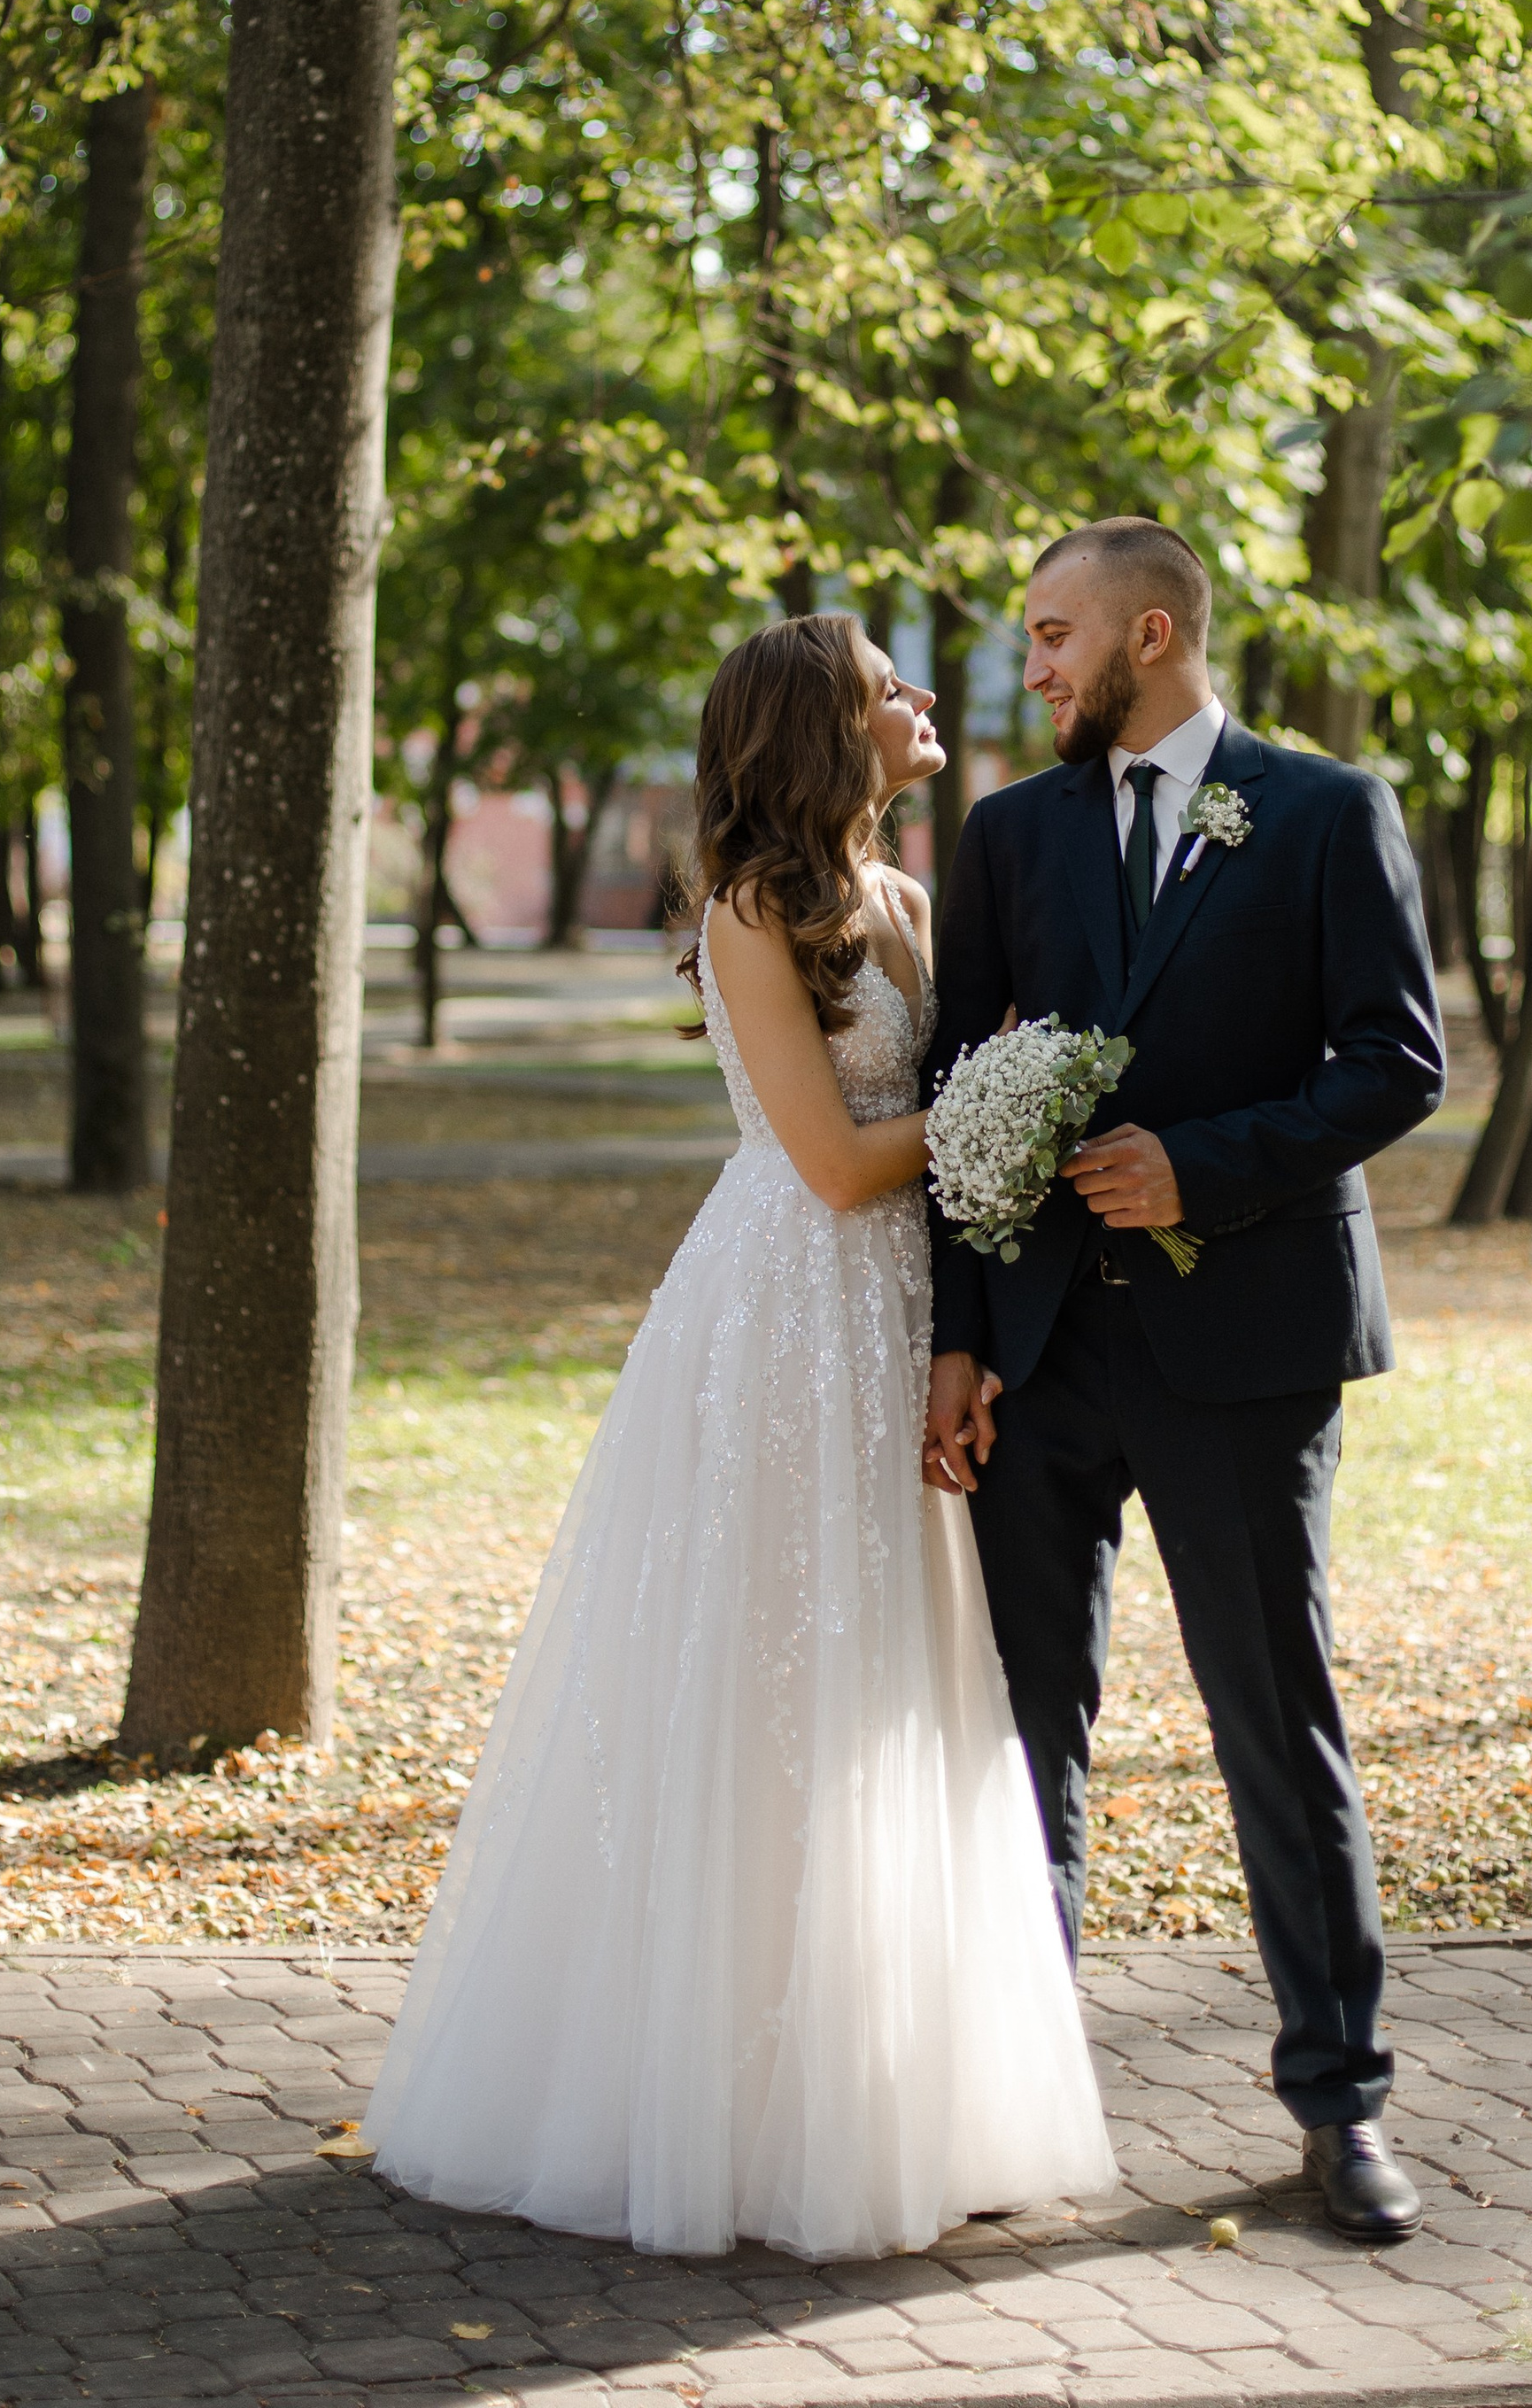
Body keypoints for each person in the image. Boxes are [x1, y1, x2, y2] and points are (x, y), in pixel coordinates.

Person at [368, 612, 1114, 2259]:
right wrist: (1012, 1101)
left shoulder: (907, 899)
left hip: (903, 1312)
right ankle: (735, 2106)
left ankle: (885, 2087)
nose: (922, 698)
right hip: (791, 1319)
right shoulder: (752, 911)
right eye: (888, 688)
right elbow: (834, 1166)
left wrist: (975, 1265)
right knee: (777, 1680)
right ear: (822, 729)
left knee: (894, 1681)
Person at [922, 519, 1445, 2246]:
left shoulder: (1325, 813)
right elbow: (956, 1091)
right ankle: (1012, 2099)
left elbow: (1395, 1062)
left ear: (1150, 635)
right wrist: (955, 1337)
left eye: (1054, 634)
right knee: (1023, 1738)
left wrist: (1198, 1168)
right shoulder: (1008, 837)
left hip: (1246, 1351)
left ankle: (1341, 2104)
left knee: (1274, 1724)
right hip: (1041, 1355)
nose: (1035, 667)